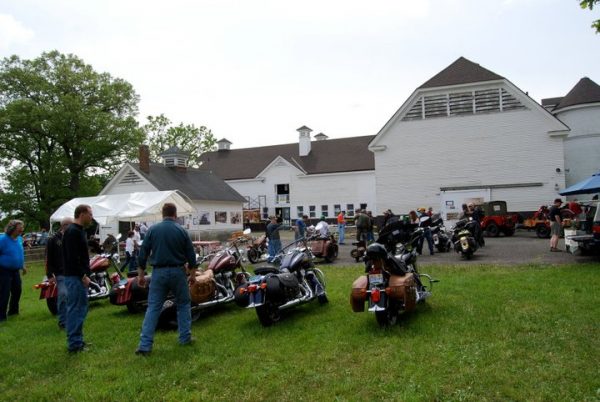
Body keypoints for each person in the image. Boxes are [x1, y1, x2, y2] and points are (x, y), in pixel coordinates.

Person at [135, 203, 198, 356]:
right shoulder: (181, 231)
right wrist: (192, 274)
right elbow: (191, 254)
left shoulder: (152, 230)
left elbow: (143, 253)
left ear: (162, 214)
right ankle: (185, 338)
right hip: (177, 271)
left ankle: (144, 345)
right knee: (183, 304)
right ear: (175, 214)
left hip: (158, 272)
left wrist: (141, 274)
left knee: (153, 307)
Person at [62, 204, 94, 353]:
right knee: (76, 309)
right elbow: (72, 258)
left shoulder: (79, 231)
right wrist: (83, 276)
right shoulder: (72, 232)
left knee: (80, 308)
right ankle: (74, 344)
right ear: (82, 214)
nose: (91, 217)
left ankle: (77, 341)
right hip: (75, 278)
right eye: (90, 214)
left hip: (78, 277)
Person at [45, 217, 72, 329]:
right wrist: (50, 275)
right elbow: (48, 258)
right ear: (63, 226)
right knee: (63, 295)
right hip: (61, 273)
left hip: (74, 272)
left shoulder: (73, 238)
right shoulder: (53, 240)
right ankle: (63, 322)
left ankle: (72, 319)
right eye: (70, 225)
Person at [0, 220, 26, 322]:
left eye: (22, 228)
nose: (21, 230)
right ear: (12, 229)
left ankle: (13, 311)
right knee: (4, 293)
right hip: (3, 271)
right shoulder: (2, 240)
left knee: (17, 291)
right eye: (19, 228)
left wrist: (23, 266)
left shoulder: (19, 239)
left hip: (15, 271)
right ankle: (1, 316)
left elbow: (20, 254)